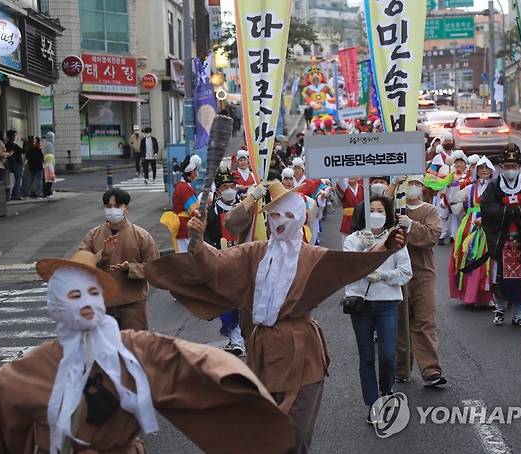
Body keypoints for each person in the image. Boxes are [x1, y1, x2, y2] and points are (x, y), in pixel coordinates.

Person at [145, 182, 407, 453]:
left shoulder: (312, 257)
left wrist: (384, 246)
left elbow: (350, 265)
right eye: (274, 215)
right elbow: (218, 264)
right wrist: (198, 245)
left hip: (301, 356)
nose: (279, 221)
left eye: (288, 215)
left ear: (300, 218)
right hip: (263, 354)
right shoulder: (254, 252)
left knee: (296, 434)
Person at [0, 251, 294, 453]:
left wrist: (228, 376)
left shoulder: (131, 349)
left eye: (92, 292)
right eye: (74, 296)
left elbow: (181, 360)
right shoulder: (42, 361)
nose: (86, 302)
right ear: (56, 306)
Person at [344, 196, 413, 423]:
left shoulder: (396, 239)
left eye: (380, 210)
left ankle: (386, 389)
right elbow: (349, 270)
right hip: (360, 304)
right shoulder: (353, 240)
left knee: (386, 355)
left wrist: (384, 275)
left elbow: (405, 272)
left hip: (387, 302)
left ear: (387, 214)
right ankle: (373, 403)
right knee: (366, 357)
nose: (376, 213)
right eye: (371, 209)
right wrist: (366, 250)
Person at [79, 188, 160, 330]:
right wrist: (101, 255)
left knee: (134, 346)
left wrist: (131, 268)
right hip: (102, 304)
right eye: (108, 206)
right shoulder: (93, 235)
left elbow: (155, 268)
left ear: (126, 209)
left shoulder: (141, 236)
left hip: (133, 303)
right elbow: (79, 266)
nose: (112, 210)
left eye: (117, 206)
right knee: (105, 349)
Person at [393, 175, 447, 387]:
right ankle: (401, 369)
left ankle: (430, 370)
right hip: (397, 273)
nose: (413, 187)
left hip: (422, 273)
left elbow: (433, 235)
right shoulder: (395, 208)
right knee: (399, 322)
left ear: (423, 187)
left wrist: (410, 225)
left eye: (417, 184)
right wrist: (393, 185)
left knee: (424, 320)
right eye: (410, 183)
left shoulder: (429, 211)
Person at [480, 144, 521, 327]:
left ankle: (519, 314)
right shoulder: (494, 186)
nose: (510, 169)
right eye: (507, 166)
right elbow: (487, 209)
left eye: (514, 166)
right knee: (499, 278)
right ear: (501, 167)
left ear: (519, 166)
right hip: (501, 240)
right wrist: (514, 209)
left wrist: (511, 208)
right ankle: (500, 309)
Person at [204, 169, 246, 357]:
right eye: (225, 187)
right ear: (218, 190)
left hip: (244, 258)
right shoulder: (212, 211)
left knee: (245, 300)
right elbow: (206, 238)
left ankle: (243, 337)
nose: (229, 190)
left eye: (232, 186)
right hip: (222, 261)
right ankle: (236, 339)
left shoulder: (244, 206)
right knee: (228, 301)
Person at [449, 157, 496, 306]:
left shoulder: (496, 188)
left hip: (489, 227)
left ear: (491, 171)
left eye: (486, 168)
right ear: (476, 171)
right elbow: (454, 199)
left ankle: (487, 296)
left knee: (488, 261)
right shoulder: (470, 189)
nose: (483, 171)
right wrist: (455, 183)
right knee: (469, 257)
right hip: (470, 228)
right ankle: (470, 295)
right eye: (481, 168)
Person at [171, 154, 202, 253]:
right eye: (196, 171)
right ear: (191, 172)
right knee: (186, 256)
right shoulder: (184, 188)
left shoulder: (183, 186)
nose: (197, 173)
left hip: (184, 225)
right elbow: (194, 210)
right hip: (185, 226)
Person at [336, 177, 364, 247]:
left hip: (361, 219)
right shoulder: (344, 188)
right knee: (347, 245)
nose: (352, 176)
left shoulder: (363, 188)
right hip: (348, 220)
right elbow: (341, 180)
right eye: (349, 174)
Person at [5, 130, 24, 200]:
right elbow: (23, 151)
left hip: (13, 164)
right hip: (17, 164)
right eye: (14, 135)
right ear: (10, 136)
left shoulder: (7, 145)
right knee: (18, 180)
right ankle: (15, 194)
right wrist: (24, 142)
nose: (14, 137)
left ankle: (15, 193)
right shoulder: (13, 145)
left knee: (17, 180)